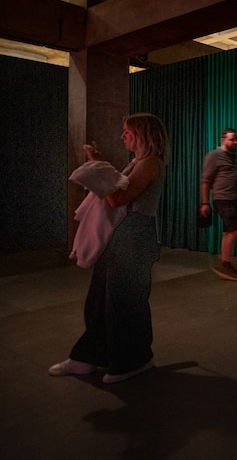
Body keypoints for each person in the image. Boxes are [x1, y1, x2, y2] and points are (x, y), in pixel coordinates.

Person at [49, 112, 168, 384]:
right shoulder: (138, 162)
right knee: (100, 300)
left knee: (124, 303)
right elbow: (116, 188)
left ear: (141, 133)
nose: (122, 135)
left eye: (127, 130)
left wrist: (97, 167)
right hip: (123, 235)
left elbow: (117, 199)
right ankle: (87, 358)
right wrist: (99, 164)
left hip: (134, 236)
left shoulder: (151, 164)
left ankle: (134, 361)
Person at [200, 128, 237, 280]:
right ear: (223, 140)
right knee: (235, 230)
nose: (235, 142)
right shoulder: (213, 156)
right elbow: (205, 181)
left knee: (228, 231)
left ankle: (226, 262)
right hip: (222, 198)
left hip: (235, 198)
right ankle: (225, 264)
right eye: (232, 139)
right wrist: (205, 202)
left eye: (236, 139)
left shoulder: (235, 158)